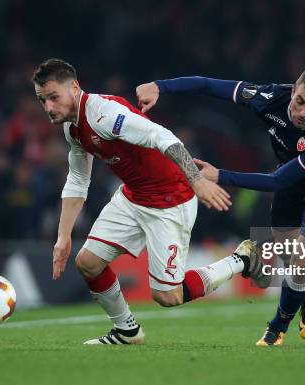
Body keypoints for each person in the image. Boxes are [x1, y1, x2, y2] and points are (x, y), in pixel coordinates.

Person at [32, 59, 268, 345]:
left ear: (74, 87)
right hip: (133, 196)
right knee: (88, 262)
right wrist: (63, 236)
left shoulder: (104, 114)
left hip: (170, 200)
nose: (48, 107)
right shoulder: (73, 129)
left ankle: (241, 259)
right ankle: (127, 331)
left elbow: (161, 135)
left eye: (53, 97)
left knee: (168, 296)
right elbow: (79, 180)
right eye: (42, 100)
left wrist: (196, 180)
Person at [136, 68, 305, 346]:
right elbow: (209, 85)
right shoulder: (268, 96)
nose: (302, 112)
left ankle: (276, 329)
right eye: (300, 101)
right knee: (290, 257)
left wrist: (220, 175)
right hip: (291, 175)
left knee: (302, 255)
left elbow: (277, 182)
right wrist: (160, 85)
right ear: (293, 90)